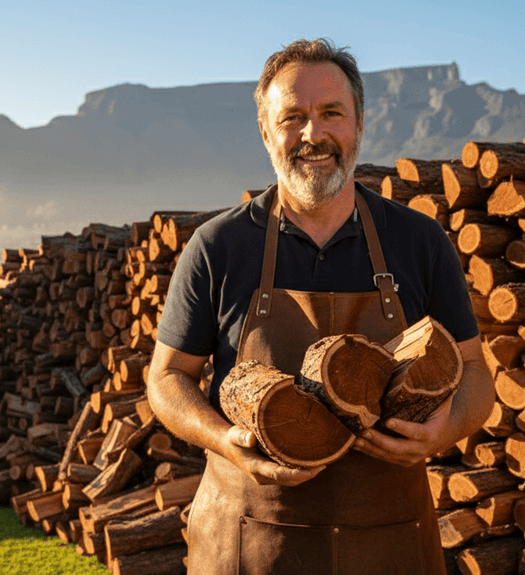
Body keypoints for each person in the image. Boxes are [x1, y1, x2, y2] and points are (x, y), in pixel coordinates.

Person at [146, 38, 495, 574]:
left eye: (331, 113)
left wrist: (443, 432)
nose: (314, 134)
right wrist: (225, 440)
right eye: (293, 118)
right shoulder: (218, 246)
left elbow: (474, 371)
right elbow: (167, 378)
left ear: (358, 124)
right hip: (249, 544)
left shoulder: (419, 242)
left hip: (391, 545)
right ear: (266, 132)